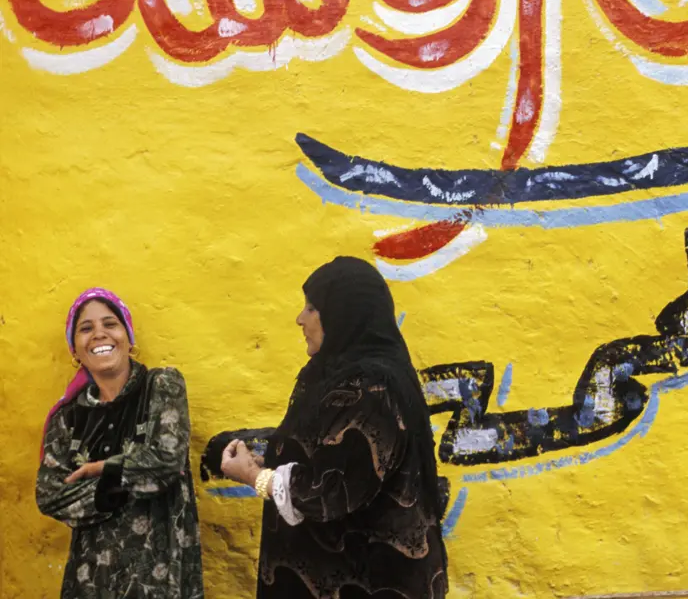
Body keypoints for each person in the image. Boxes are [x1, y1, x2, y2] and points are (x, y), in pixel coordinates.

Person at [221, 256, 448, 598]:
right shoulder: (336, 375)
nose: (300, 318)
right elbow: (330, 456)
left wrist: (256, 478)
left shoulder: (372, 389)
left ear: (344, 314)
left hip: (367, 580)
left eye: (312, 308)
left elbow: (331, 491)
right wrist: (265, 463)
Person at [36, 287, 204, 598]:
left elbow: (166, 462)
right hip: (91, 578)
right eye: (86, 328)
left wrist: (100, 469)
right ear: (75, 350)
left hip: (160, 574)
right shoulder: (68, 417)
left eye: (110, 324)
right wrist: (119, 481)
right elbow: (49, 495)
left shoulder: (161, 386)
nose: (99, 334)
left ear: (129, 337)